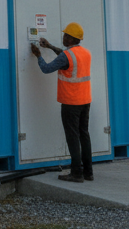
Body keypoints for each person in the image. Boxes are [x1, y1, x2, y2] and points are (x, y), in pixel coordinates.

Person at [30, 22, 93, 183]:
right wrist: (50, 46)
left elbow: (47, 68)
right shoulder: (85, 53)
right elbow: (65, 57)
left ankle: (76, 173)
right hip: (85, 100)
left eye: (65, 35)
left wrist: (38, 55)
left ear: (71, 38)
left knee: (73, 137)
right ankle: (88, 172)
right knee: (84, 135)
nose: (63, 37)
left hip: (71, 102)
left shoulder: (67, 56)